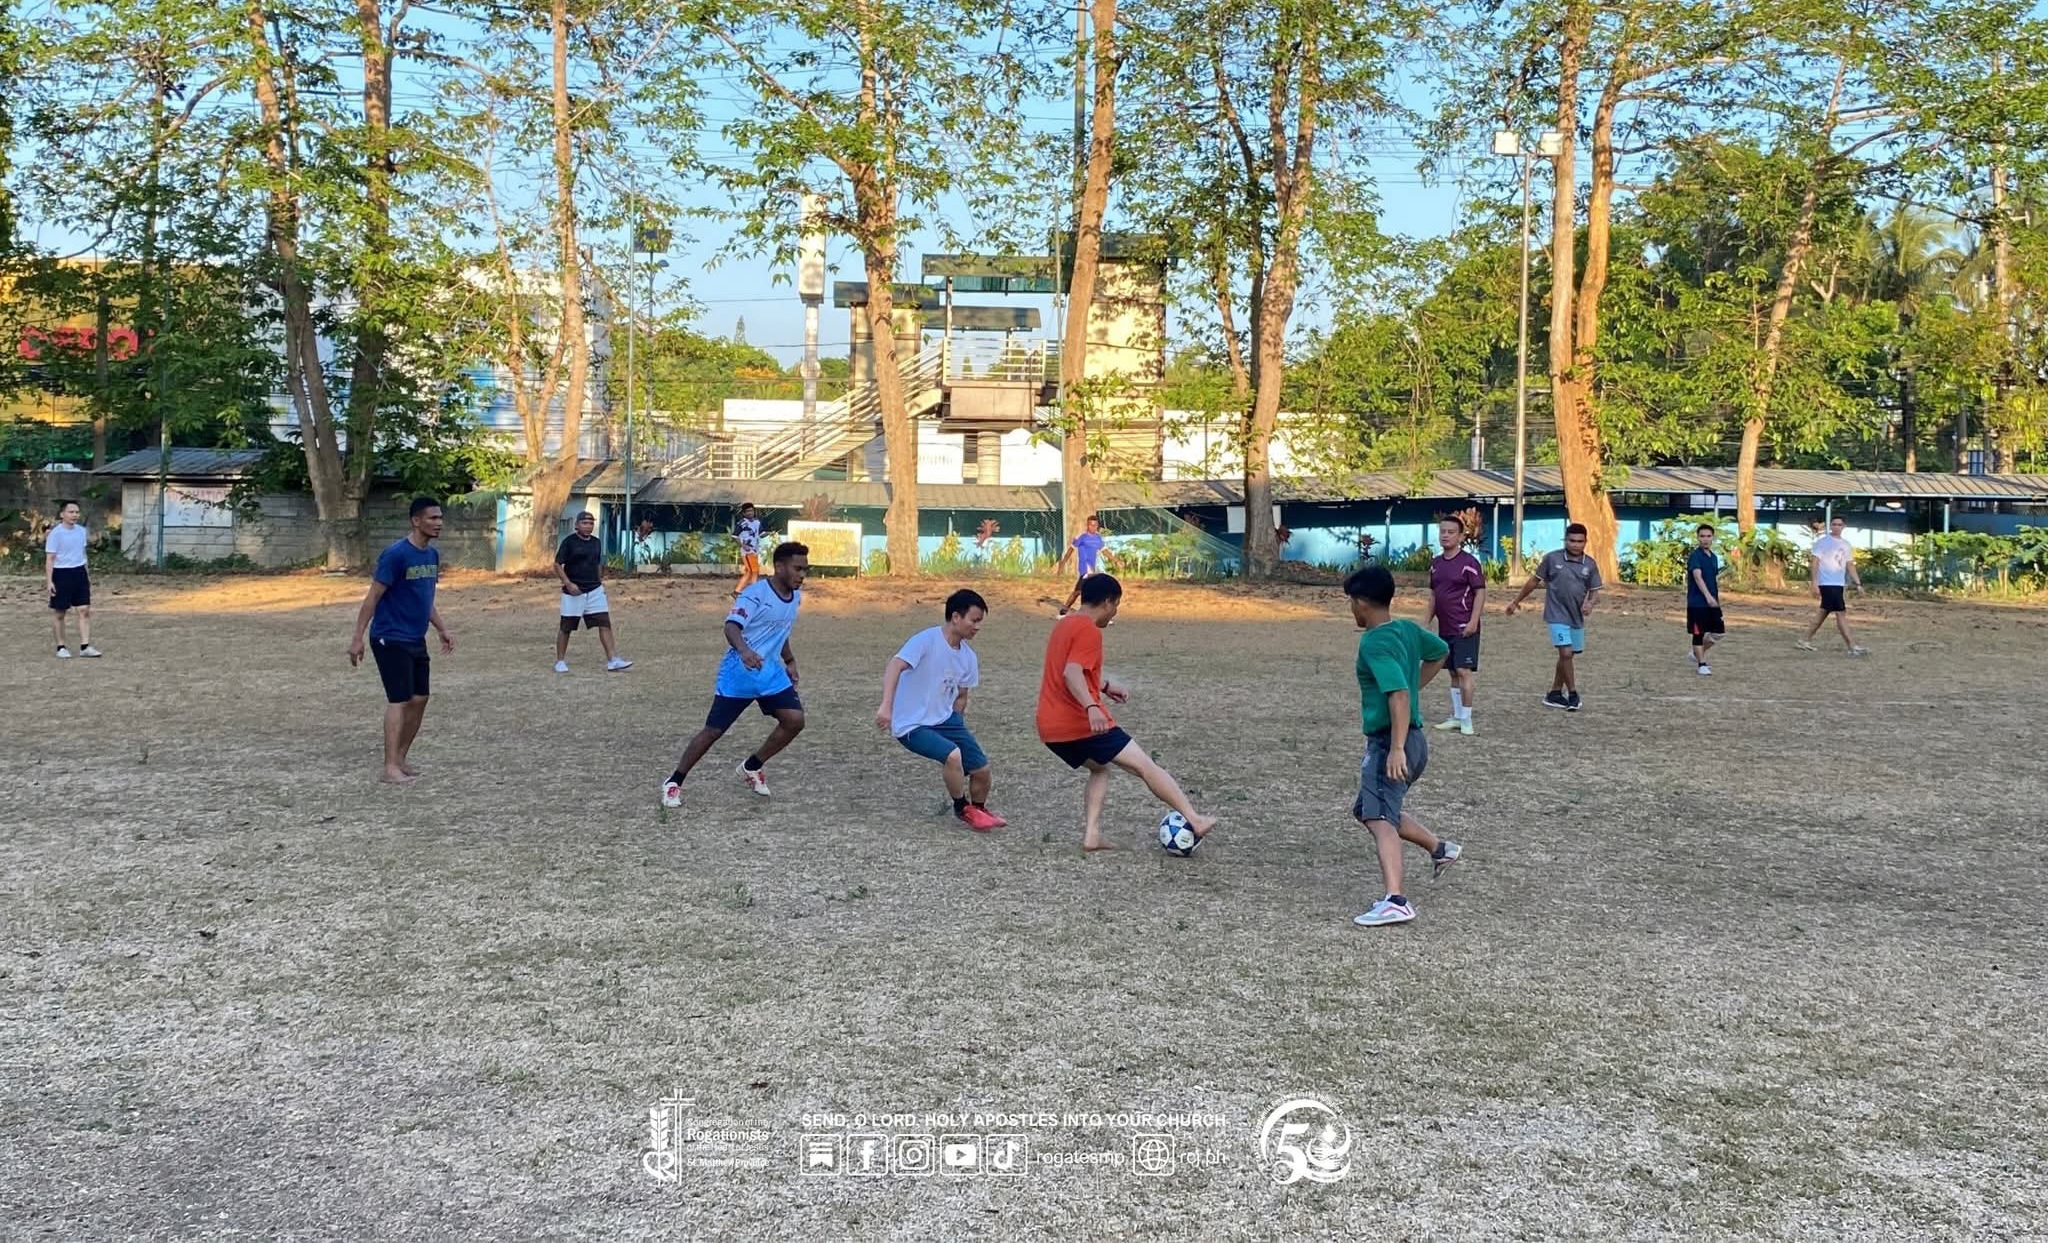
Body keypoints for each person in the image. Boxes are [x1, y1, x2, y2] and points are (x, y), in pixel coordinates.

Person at [1036, 573, 1217, 853]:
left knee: (1100, 769)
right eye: (1117, 605)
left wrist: (1105, 687)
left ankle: (1092, 836)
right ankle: (1194, 818)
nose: (1115, 612)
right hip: (1080, 723)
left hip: (1050, 728)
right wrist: (1092, 707)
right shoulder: (1089, 630)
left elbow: (1071, 669)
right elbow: (1072, 673)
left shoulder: (1064, 624)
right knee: (1146, 766)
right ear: (1107, 602)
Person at [1345, 566, 1463, 927]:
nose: (1351, 609)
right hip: (1415, 741)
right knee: (1368, 808)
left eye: (1351, 602)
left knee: (1379, 818)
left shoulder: (1374, 642)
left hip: (1392, 742)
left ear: (1362, 603)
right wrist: (1414, 690)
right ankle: (1439, 848)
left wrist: (1395, 748)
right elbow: (1441, 651)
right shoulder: (1408, 630)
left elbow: (1397, 693)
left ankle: (1396, 900)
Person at [663, 541, 810, 807]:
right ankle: (674, 782)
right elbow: (731, 627)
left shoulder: (795, 597)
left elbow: (780, 630)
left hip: (770, 673)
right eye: (797, 569)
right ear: (779, 567)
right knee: (713, 731)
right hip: (739, 673)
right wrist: (744, 652)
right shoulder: (754, 594)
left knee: (794, 720)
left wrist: (789, 660)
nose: (802, 575)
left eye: (804, 570)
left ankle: (752, 766)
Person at [875, 588, 1006, 832]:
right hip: (912, 724)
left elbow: (962, 695)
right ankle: (962, 808)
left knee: (982, 769)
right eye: (974, 620)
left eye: (980, 621)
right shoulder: (926, 641)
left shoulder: (968, 657)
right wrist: (886, 706)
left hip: (946, 720)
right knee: (953, 755)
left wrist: (957, 723)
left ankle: (979, 809)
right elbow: (895, 665)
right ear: (956, 617)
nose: (978, 627)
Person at [347, 497, 455, 785]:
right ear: (416, 521)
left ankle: (400, 758)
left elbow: (424, 599)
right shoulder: (395, 555)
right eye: (432, 518)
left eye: (440, 517)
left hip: (415, 637)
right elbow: (372, 597)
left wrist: (442, 629)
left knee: (420, 698)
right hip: (389, 637)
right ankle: (390, 768)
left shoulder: (431, 556)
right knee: (399, 700)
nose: (439, 523)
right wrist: (357, 637)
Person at [1506, 522, 1603, 712]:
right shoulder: (1552, 559)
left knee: (1568, 656)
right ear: (1565, 540)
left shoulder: (1590, 564)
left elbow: (1594, 591)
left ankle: (1554, 693)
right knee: (1565, 653)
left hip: (1576, 617)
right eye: (1572, 540)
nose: (1575, 545)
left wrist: (1590, 604)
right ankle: (1573, 694)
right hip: (1556, 614)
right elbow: (1534, 581)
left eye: (1580, 541)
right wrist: (1516, 601)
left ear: (1585, 542)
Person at [1423, 515, 1484, 734]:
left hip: (1464, 626)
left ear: (1460, 536)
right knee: (1452, 672)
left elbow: (1480, 593)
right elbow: (1434, 596)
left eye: (1450, 532)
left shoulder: (1469, 563)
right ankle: (1457, 716)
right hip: (1445, 627)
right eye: (1443, 532)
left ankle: (1467, 719)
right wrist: (1425, 622)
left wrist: (1473, 621)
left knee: (1463, 670)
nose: (1446, 536)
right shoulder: (1436, 564)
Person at [553, 511, 631, 673]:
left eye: (590, 523)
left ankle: (613, 660)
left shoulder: (596, 542)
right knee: (566, 627)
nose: (588, 526)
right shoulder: (569, 542)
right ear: (577, 525)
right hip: (574, 591)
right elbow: (557, 564)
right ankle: (560, 661)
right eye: (584, 523)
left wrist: (599, 581)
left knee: (604, 623)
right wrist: (568, 583)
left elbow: (597, 563)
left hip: (595, 590)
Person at [1799, 515, 1868, 655]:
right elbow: (1815, 562)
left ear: (1844, 526)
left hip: (1838, 584)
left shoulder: (1846, 545)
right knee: (1840, 613)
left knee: (1823, 613)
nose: (1836, 527)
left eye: (1839, 524)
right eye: (1834, 524)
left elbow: (1850, 565)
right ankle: (1852, 646)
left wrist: (1858, 583)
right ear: (1830, 526)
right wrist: (1814, 582)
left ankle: (1805, 640)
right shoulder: (1822, 542)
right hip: (1827, 583)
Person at [45, 500, 101, 658]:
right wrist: (49, 581)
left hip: (79, 572)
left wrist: (86, 575)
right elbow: (50, 558)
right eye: (71, 512)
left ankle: (85, 646)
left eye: (77, 512)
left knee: (84, 609)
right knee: (60, 612)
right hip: (61, 573)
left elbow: (83, 554)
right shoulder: (55, 533)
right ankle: (61, 647)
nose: (74, 515)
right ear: (62, 514)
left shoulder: (81, 531)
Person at [1686, 523, 1726, 676]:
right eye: (1702, 536)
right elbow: (1697, 577)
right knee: (1699, 633)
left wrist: (1713, 598)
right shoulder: (1695, 556)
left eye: (1708, 536)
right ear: (1698, 537)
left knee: (1719, 633)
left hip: (1713, 602)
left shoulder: (1714, 557)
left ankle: (1696, 652)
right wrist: (1708, 596)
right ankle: (1701, 664)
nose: (1705, 539)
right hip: (1697, 603)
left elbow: (1712, 577)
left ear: (1713, 537)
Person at [1056, 516, 1115, 616]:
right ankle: (1099, 613)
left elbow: (1104, 550)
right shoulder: (1082, 537)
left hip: (1092, 569)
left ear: (1097, 526)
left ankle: (1064, 610)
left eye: (1095, 525)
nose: (1093, 527)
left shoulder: (1098, 538)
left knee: (1079, 591)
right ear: (1087, 525)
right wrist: (1063, 563)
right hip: (1085, 568)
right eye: (1091, 525)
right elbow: (1071, 549)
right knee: (1090, 590)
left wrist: (1116, 560)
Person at [733, 502, 764, 598]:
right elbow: (734, 536)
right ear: (743, 513)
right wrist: (743, 545)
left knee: (750, 572)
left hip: (755, 550)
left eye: (751, 510)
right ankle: (753, 592)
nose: (750, 513)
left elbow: (760, 534)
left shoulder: (757, 522)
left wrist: (769, 533)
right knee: (754, 571)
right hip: (747, 551)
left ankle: (737, 591)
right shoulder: (741, 523)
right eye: (747, 511)